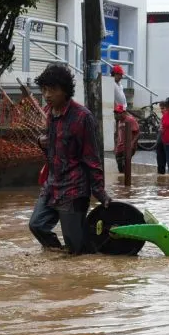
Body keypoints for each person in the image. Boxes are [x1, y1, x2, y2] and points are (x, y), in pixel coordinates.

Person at [28, 63, 112, 254]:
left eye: (52, 90)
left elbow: (92, 159)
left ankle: (79, 275)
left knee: (76, 247)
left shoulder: (83, 117)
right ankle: (57, 258)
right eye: (44, 90)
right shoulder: (50, 114)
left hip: (74, 189)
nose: (47, 95)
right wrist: (42, 142)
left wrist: (100, 192)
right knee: (37, 225)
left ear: (65, 91)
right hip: (52, 185)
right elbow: (53, 148)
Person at [114, 104, 139, 173]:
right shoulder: (119, 121)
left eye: (119, 113)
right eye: (116, 113)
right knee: (120, 168)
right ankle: (121, 182)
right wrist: (116, 146)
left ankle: (127, 182)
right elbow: (117, 135)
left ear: (124, 112)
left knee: (125, 166)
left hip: (128, 147)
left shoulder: (130, 120)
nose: (117, 115)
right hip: (119, 147)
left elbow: (137, 133)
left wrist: (132, 143)